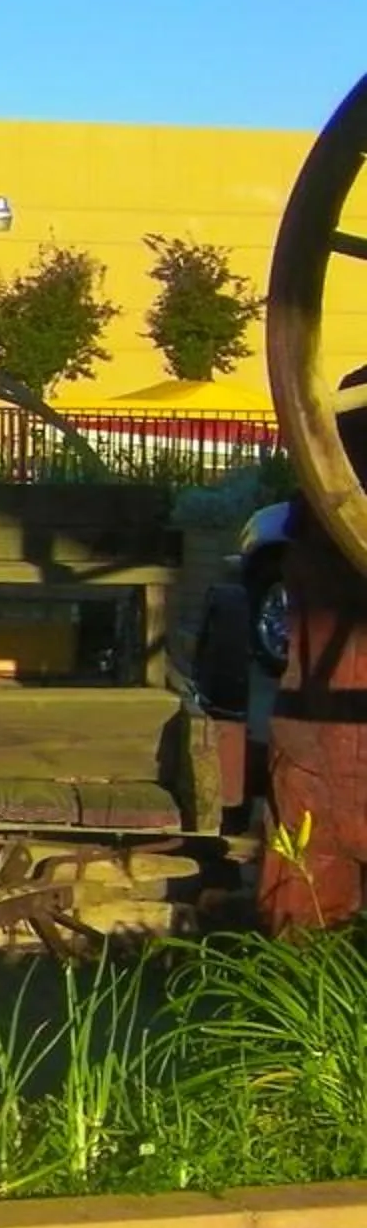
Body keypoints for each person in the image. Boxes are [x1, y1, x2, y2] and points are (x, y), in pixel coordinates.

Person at [261, 364, 367, 928]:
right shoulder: (351, 405)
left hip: (322, 714)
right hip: (330, 706)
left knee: (311, 849)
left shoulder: (345, 405)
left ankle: (300, 979)